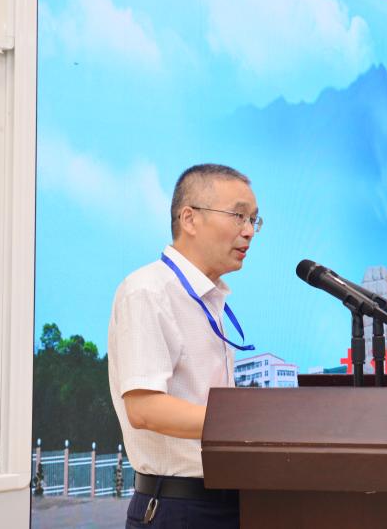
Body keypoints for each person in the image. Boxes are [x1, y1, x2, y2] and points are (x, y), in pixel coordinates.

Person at [108, 163, 261, 528]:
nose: (249, 231)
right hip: (179, 506)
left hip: (227, 499)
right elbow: (144, 408)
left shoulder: (209, 299)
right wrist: (247, 422)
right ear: (189, 219)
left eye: (254, 220)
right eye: (238, 216)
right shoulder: (148, 291)